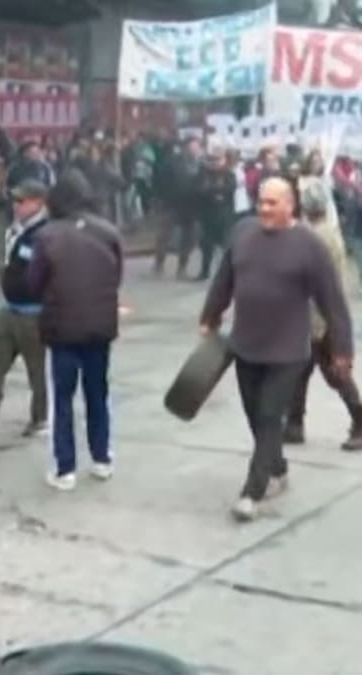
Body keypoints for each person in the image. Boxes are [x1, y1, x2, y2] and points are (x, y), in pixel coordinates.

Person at [200, 176, 354, 522]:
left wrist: (343, 350)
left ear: (290, 205)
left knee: (270, 416)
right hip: (245, 345)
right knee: (255, 415)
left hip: (287, 352)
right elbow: (224, 279)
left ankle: (251, 492)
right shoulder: (243, 233)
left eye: (272, 203)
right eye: (261, 202)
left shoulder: (309, 246)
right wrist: (210, 316)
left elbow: (333, 302)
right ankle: (278, 468)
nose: (264, 209)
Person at [27, 170, 123, 491]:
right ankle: (102, 458)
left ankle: (65, 467)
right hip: (100, 325)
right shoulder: (108, 232)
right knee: (98, 392)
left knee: (63, 397)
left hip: (62, 327)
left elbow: (34, 283)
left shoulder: (47, 236)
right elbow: (116, 276)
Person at [284, 179, 362, 450]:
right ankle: (294, 424)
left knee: (335, 373)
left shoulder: (313, 237)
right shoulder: (328, 231)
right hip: (321, 312)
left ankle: (360, 422)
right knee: (299, 372)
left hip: (319, 316)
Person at [0, 179, 50, 436]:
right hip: (10, 307)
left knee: (37, 369)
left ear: (38, 203)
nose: (16, 205)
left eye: (21, 201)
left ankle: (40, 417)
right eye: (14, 200)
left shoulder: (45, 233)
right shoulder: (17, 229)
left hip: (34, 312)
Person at [154, 137, 201, 278]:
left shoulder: (200, 164)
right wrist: (162, 198)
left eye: (197, 147)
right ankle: (159, 264)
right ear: (185, 147)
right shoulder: (172, 162)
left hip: (191, 206)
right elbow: (161, 181)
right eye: (193, 147)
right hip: (172, 204)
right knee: (164, 235)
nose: (196, 150)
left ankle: (182, 268)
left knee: (189, 238)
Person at [195, 149, 237, 281]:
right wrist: (215, 193)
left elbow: (229, 189)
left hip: (224, 215)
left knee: (226, 246)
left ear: (224, 160)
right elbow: (199, 190)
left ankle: (229, 273)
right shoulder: (203, 174)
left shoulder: (228, 174)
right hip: (207, 215)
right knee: (206, 246)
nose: (215, 163)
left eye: (218, 159)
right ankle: (204, 271)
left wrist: (213, 191)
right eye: (212, 160)